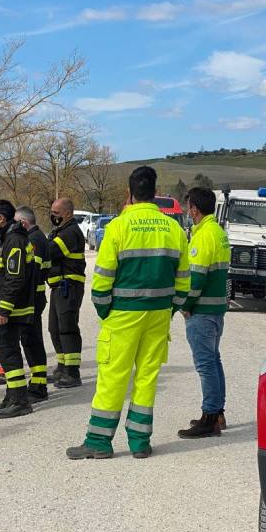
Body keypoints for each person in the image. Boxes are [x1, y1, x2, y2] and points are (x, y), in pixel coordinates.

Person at [66, 167, 189, 460]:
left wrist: (105, 311)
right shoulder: (174, 229)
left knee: (113, 376)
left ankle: (98, 441)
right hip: (159, 314)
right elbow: (184, 282)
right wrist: (171, 309)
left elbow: (102, 280)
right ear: (155, 192)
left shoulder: (119, 227)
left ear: (130, 193)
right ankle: (139, 442)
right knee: (147, 377)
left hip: (122, 314)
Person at [177, 187, 230, 439]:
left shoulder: (203, 236)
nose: (188, 212)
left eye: (189, 207)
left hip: (202, 311)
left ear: (194, 209)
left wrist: (185, 305)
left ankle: (209, 418)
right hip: (216, 310)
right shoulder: (218, 232)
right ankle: (217, 413)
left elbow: (196, 278)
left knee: (205, 364)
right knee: (214, 360)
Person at [0, 199, 37, 418]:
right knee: (7, 354)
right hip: (7, 310)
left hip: (10, 312)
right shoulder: (6, 237)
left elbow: (14, 279)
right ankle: (12, 395)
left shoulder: (13, 240)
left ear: (0, 219)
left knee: (10, 354)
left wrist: (3, 310)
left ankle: (20, 401)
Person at [46, 198, 87, 388]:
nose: (52, 215)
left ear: (68, 213)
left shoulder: (70, 232)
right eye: (52, 212)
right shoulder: (60, 230)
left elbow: (50, 251)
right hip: (59, 287)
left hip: (69, 286)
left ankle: (72, 372)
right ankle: (62, 367)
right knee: (55, 328)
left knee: (67, 328)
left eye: (56, 212)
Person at [12, 206, 49, 402]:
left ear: (23, 223)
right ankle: (38, 381)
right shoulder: (37, 237)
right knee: (31, 340)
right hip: (35, 297)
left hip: (33, 298)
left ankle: (38, 385)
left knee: (32, 341)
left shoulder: (33, 240)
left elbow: (31, 273)